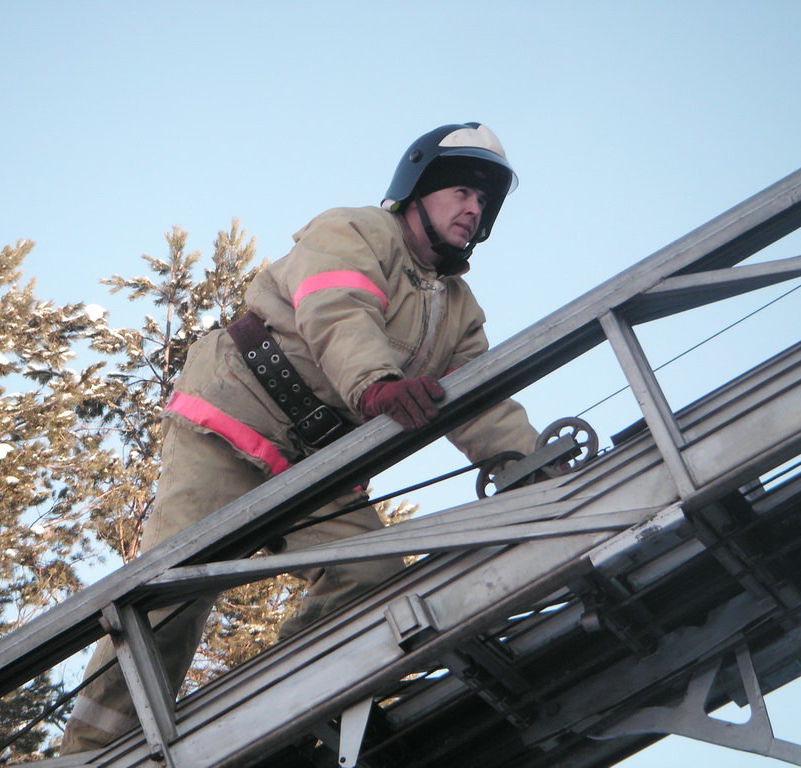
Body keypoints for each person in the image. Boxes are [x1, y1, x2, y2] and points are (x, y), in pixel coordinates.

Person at [60, 122, 540, 753]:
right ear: (417, 188)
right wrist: (375, 384)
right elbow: (337, 308)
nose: (473, 208)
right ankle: (92, 753)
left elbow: (481, 401)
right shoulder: (356, 230)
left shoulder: (459, 310)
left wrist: (532, 467)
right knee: (170, 591)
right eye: (461, 191)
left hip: (317, 462)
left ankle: (265, 719)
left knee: (370, 577)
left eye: (484, 200)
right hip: (234, 420)